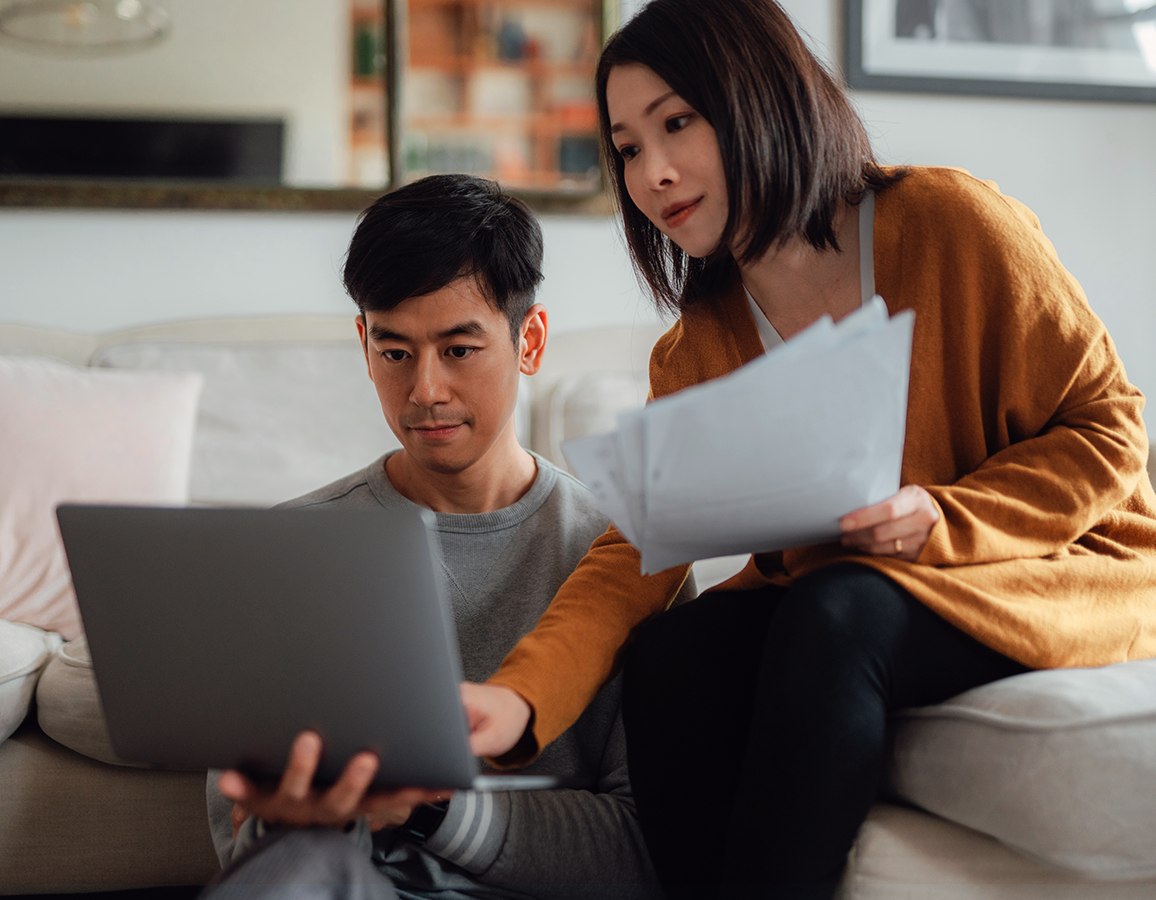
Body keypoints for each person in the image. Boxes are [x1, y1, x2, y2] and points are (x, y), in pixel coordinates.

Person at [460, 1, 1156, 898]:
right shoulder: (696, 346)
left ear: (761, 98)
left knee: (835, 613)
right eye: (629, 148)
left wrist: (943, 517)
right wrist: (519, 700)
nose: (654, 173)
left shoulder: (955, 224)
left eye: (678, 123)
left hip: (1055, 565)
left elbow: (1111, 431)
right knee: (676, 654)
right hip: (864, 591)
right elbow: (637, 551)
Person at [202, 173, 668, 900]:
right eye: (395, 353)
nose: (424, 391)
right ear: (363, 344)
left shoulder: (628, 555)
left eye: (458, 350)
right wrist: (285, 821)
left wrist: (428, 810)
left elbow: (646, 851)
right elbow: (238, 840)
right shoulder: (293, 546)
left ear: (530, 341)